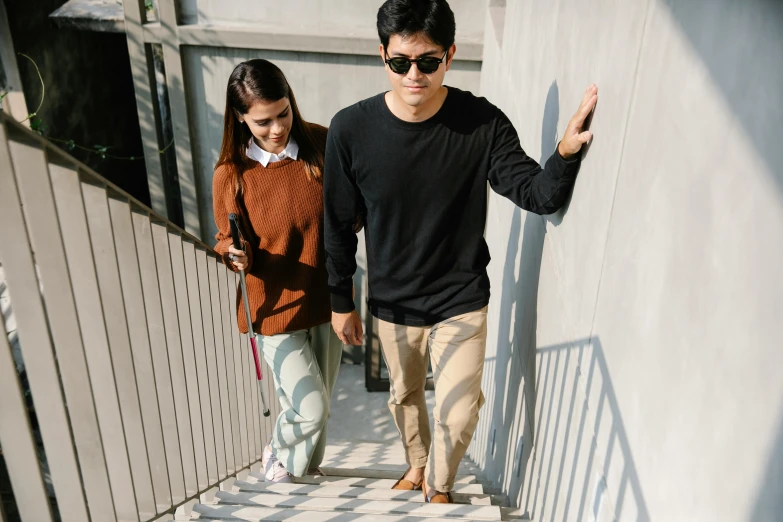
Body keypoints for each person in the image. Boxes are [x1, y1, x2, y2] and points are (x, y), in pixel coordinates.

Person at [323, 0, 598, 503]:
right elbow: (338, 224)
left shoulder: (481, 123)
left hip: (460, 296)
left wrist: (564, 154)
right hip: (392, 300)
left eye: (428, 61)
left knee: (460, 407)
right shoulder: (350, 130)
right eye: (400, 61)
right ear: (381, 54)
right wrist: (340, 298)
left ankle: (438, 487)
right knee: (405, 398)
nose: (414, 74)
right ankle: (418, 463)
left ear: (449, 55)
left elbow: (538, 194)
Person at [213, 59, 343, 483]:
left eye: (283, 113)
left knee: (319, 410)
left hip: (324, 299)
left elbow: (349, 215)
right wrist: (233, 252)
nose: (276, 128)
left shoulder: (323, 145)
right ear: (240, 118)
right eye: (263, 121)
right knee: (311, 407)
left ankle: (301, 472)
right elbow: (225, 237)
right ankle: (279, 455)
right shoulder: (232, 174)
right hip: (271, 308)